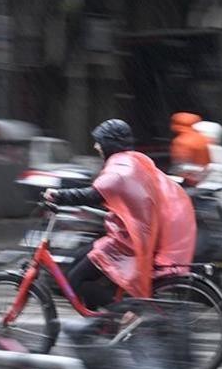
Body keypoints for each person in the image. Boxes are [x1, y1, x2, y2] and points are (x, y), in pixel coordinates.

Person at [47, 119, 196, 309]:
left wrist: (58, 196)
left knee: (76, 279)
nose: (96, 146)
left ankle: (119, 315)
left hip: (128, 243)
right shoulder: (133, 160)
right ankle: (101, 325)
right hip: (130, 235)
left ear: (109, 143)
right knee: (78, 259)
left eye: (99, 141)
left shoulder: (121, 169)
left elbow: (94, 194)